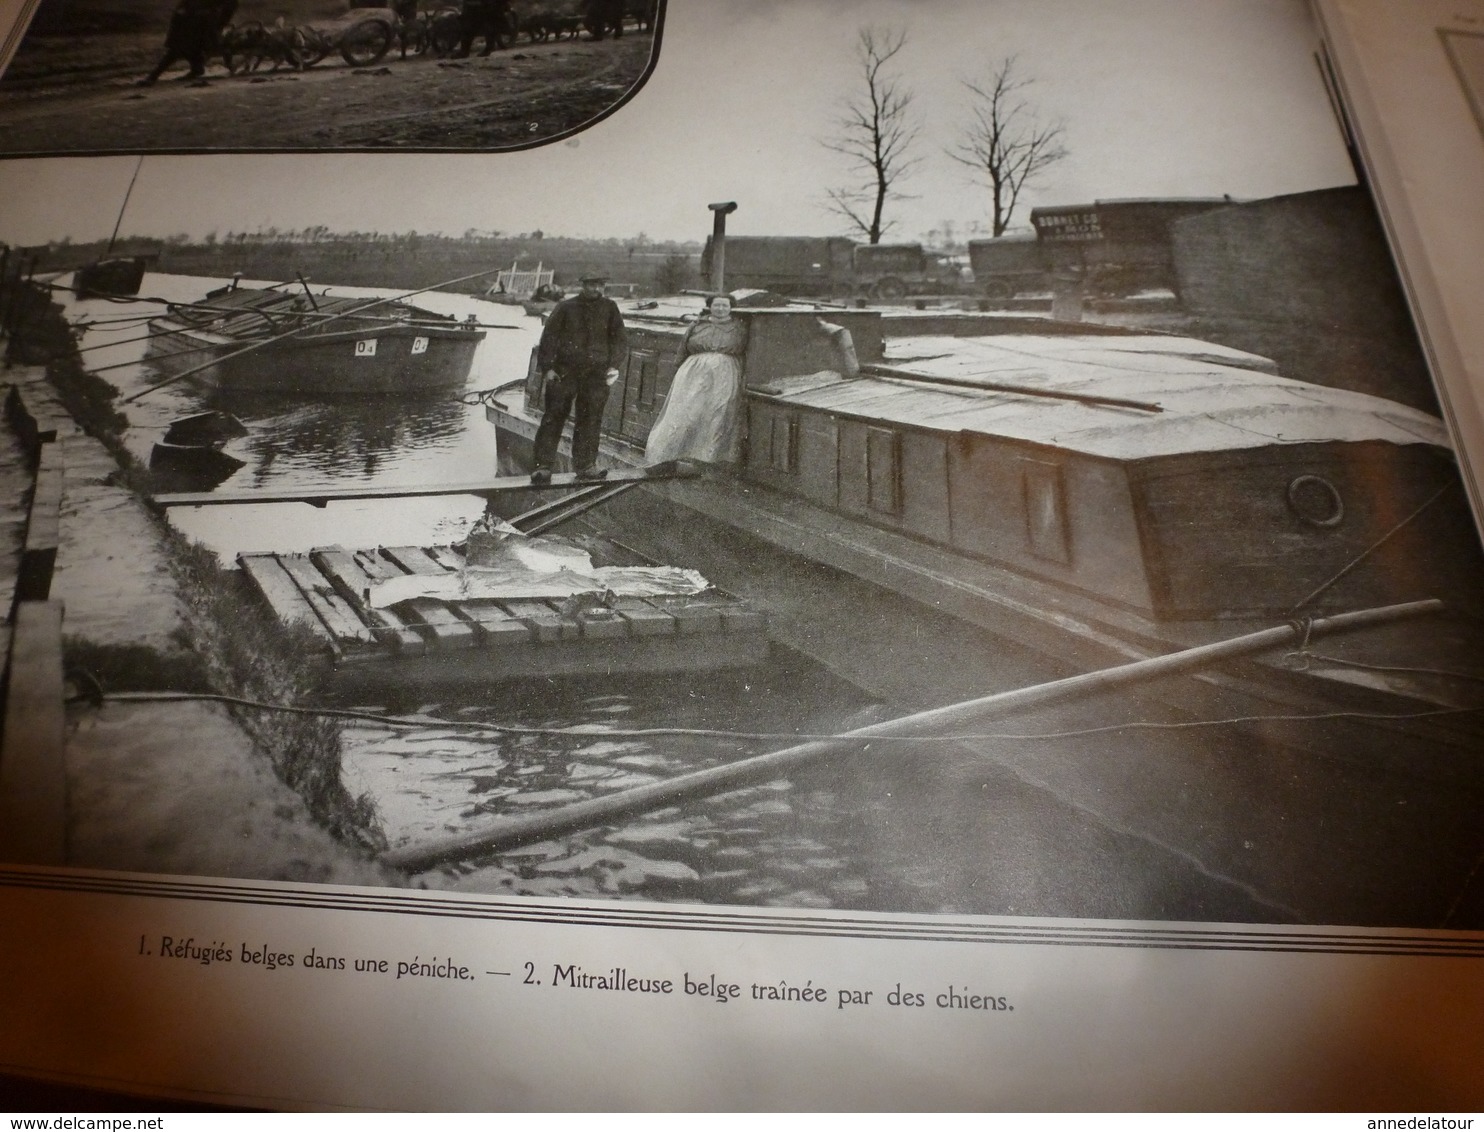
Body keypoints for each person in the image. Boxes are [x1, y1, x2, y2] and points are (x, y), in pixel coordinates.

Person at [530, 271, 627, 483]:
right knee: (553, 417)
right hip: (564, 373)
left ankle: (586, 467)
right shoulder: (566, 307)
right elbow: (548, 339)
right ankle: (543, 467)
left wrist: (613, 366)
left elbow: (619, 340)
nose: (596, 289)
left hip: (596, 376)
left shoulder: (610, 308)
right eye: (591, 285)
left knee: (590, 420)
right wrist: (548, 369)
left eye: (600, 285)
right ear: (583, 285)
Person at [644, 294, 749, 466]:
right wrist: (678, 368)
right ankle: (670, 455)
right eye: (717, 305)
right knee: (687, 411)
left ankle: (708, 458)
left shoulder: (739, 327)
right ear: (710, 307)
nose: (721, 309)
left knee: (718, 411)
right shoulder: (697, 325)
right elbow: (683, 348)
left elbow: (745, 353)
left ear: (731, 307)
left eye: (725, 306)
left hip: (725, 373)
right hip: (694, 372)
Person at [140, 0, 236, 84]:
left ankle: (153, 76)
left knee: (177, 50)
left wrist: (219, 24)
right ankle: (196, 68)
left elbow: (230, 5)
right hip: (188, 21)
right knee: (184, 48)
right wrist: (180, 12)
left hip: (203, 24)